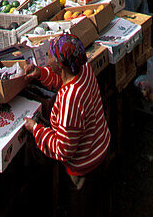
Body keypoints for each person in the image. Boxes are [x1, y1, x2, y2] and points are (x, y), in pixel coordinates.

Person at [23, 34, 110, 189]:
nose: (47, 59)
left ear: (59, 64)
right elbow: (61, 79)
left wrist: (36, 129)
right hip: (100, 143)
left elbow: (64, 149)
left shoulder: (70, 98)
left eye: (49, 56)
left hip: (86, 162)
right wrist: (40, 73)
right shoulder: (82, 68)